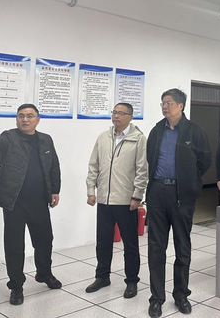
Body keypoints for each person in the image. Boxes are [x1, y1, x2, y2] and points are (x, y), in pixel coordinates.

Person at [0, 103, 61, 306]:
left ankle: (44, 273)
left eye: (30, 116)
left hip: (39, 201)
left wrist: (55, 190)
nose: (25, 119)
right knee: (14, 245)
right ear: (16, 119)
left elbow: (54, 166)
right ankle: (16, 286)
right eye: (21, 116)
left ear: (38, 119)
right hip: (14, 202)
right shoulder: (9, 137)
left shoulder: (46, 139)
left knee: (44, 241)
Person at [146, 88, 212, 317]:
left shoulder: (195, 131)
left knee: (182, 247)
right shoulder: (157, 130)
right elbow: (150, 158)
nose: (164, 107)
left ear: (180, 106)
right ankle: (156, 298)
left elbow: (205, 161)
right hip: (157, 192)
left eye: (169, 103)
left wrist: (189, 181)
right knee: (156, 247)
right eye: (162, 103)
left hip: (182, 195)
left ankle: (181, 295)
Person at [85, 102, 148, 297]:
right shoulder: (103, 137)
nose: (116, 116)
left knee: (130, 244)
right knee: (103, 242)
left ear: (130, 116)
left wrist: (137, 195)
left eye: (121, 113)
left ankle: (132, 281)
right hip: (104, 199)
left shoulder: (138, 139)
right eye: (114, 112)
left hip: (126, 201)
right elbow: (93, 165)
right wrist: (91, 190)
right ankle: (102, 276)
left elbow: (142, 169)